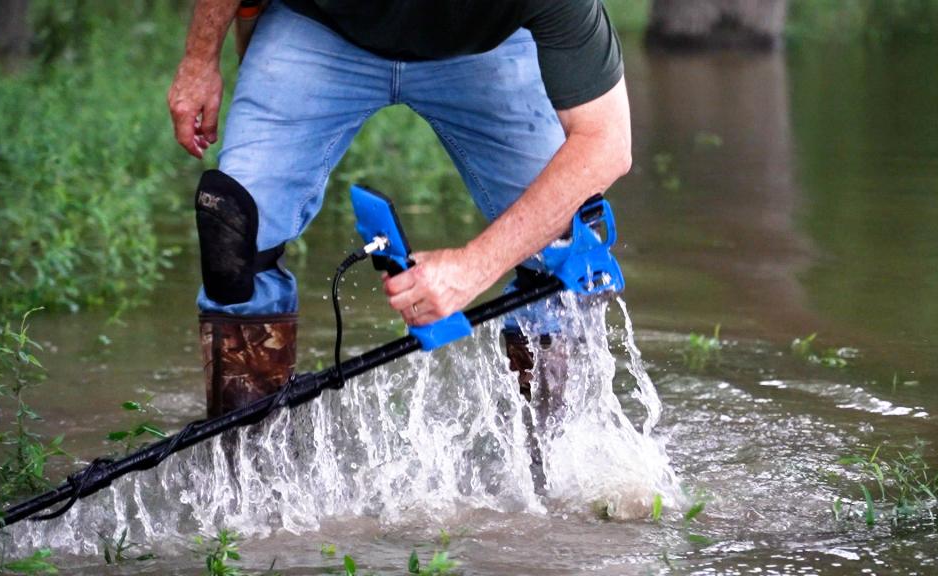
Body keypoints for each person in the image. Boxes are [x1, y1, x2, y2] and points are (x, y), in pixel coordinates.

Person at [167, 0, 632, 418]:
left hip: (486, 51)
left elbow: (607, 144)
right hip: (320, 27)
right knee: (234, 229)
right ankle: (246, 466)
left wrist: (473, 267)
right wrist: (199, 58)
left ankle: (560, 462)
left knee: (567, 245)